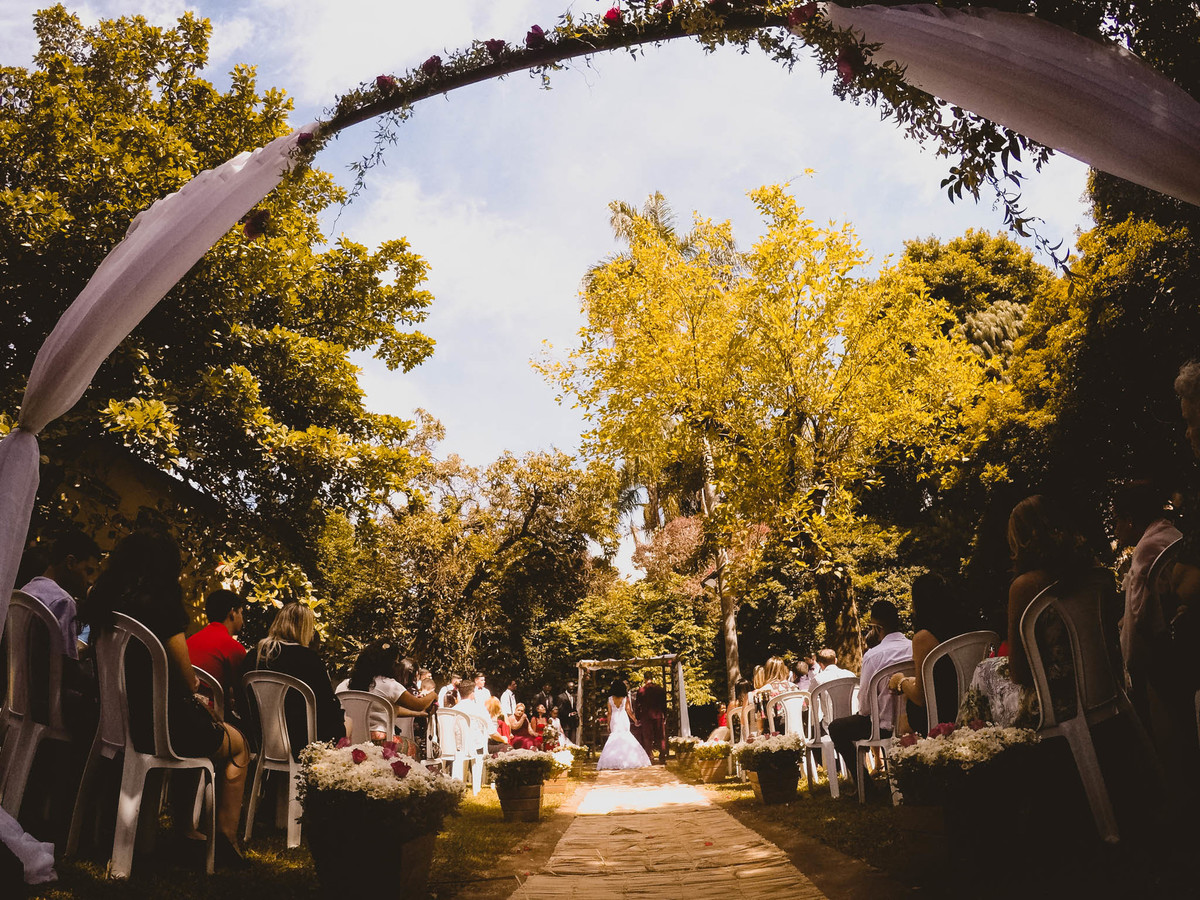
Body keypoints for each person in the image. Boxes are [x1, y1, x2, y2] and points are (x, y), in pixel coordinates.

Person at [85, 532, 249, 869]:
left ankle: (155, 841)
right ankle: (225, 842)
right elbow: (188, 679)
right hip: (162, 727)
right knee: (239, 746)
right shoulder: (163, 605)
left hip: (116, 720)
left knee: (192, 731)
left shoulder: (104, 601)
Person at [958, 495, 1107, 729]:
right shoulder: (1097, 575)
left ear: (1020, 540)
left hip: (1057, 701)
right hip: (1106, 682)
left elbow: (1020, 672)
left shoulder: (1026, 586)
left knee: (983, 672)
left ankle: (973, 750)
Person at [827, 600, 912, 792]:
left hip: (883, 726)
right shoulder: (914, 647)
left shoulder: (873, 655)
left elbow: (865, 706)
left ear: (878, 628)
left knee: (837, 728)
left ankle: (866, 787)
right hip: (916, 720)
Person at [245, 603, 346, 756]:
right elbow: (326, 706)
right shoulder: (309, 659)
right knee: (347, 723)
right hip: (304, 743)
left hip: (260, 739)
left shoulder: (254, 656)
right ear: (304, 628)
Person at [889, 574, 964, 735]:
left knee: (902, 722)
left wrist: (900, 681)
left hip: (941, 714)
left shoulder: (924, 637)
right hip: (968, 706)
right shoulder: (968, 631)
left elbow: (920, 698)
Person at [21, 528, 101, 660]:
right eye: (88, 571)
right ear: (70, 562)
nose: (91, 580)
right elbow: (66, 662)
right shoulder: (63, 601)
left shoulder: (27, 589)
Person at [334, 640, 434, 745]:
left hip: (349, 741)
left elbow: (388, 710)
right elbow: (419, 704)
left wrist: (419, 714)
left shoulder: (343, 686)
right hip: (381, 744)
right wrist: (433, 695)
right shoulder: (389, 685)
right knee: (414, 747)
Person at [187, 589, 248, 723]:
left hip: (183, 712)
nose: (242, 619)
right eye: (241, 613)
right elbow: (243, 696)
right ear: (232, 613)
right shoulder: (233, 647)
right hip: (210, 720)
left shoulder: (190, 640)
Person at [596, 679, 652, 770]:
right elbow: (629, 711)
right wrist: (635, 720)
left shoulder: (610, 699)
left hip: (615, 718)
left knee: (614, 737)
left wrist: (608, 724)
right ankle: (629, 758)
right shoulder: (625, 698)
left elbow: (609, 713)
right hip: (623, 718)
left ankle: (614, 759)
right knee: (626, 736)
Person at [636, 673, 669, 763]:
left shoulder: (641, 690)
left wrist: (637, 717)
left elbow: (638, 705)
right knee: (661, 737)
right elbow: (664, 704)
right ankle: (662, 757)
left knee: (647, 738)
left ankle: (649, 757)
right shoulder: (660, 689)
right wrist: (665, 715)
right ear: (652, 678)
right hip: (658, 715)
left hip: (646, 716)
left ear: (644, 679)